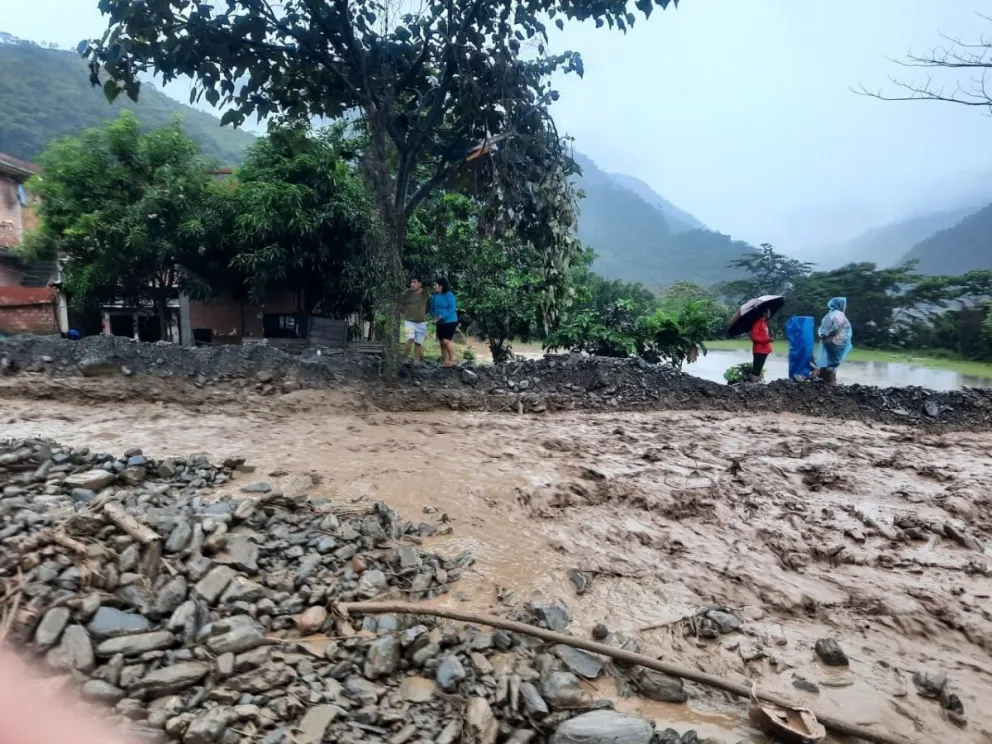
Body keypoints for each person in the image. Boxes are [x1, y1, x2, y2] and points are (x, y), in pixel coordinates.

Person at [816, 297, 852, 384]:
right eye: (844, 305)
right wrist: (828, 334)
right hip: (836, 341)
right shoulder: (839, 314)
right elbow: (837, 327)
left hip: (827, 341)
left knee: (828, 360)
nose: (844, 307)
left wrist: (823, 335)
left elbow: (821, 329)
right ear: (840, 305)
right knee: (833, 363)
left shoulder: (829, 314)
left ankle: (823, 380)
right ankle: (832, 383)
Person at [400, 277, 431, 366]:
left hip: (421, 322)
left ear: (420, 284)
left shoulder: (425, 293)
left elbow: (428, 306)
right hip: (409, 322)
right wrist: (405, 312)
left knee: (418, 343)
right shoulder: (407, 293)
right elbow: (401, 303)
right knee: (410, 339)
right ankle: (405, 359)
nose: (412, 284)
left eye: (415, 282)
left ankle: (416, 361)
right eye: (411, 282)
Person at [430, 277, 458, 368]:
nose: (434, 287)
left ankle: (452, 360)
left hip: (450, 321)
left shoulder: (449, 295)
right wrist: (434, 317)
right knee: (442, 342)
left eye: (435, 285)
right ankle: (445, 361)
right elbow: (431, 309)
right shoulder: (434, 297)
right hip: (439, 322)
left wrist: (442, 316)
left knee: (446, 341)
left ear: (441, 286)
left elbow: (452, 309)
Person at [749, 308, 772, 382]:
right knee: (756, 369)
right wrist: (767, 339)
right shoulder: (757, 323)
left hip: (765, 350)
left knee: (759, 369)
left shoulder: (765, 323)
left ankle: (755, 384)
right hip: (759, 350)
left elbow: (764, 335)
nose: (770, 313)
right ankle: (752, 385)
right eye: (768, 312)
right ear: (764, 313)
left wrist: (770, 338)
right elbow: (754, 337)